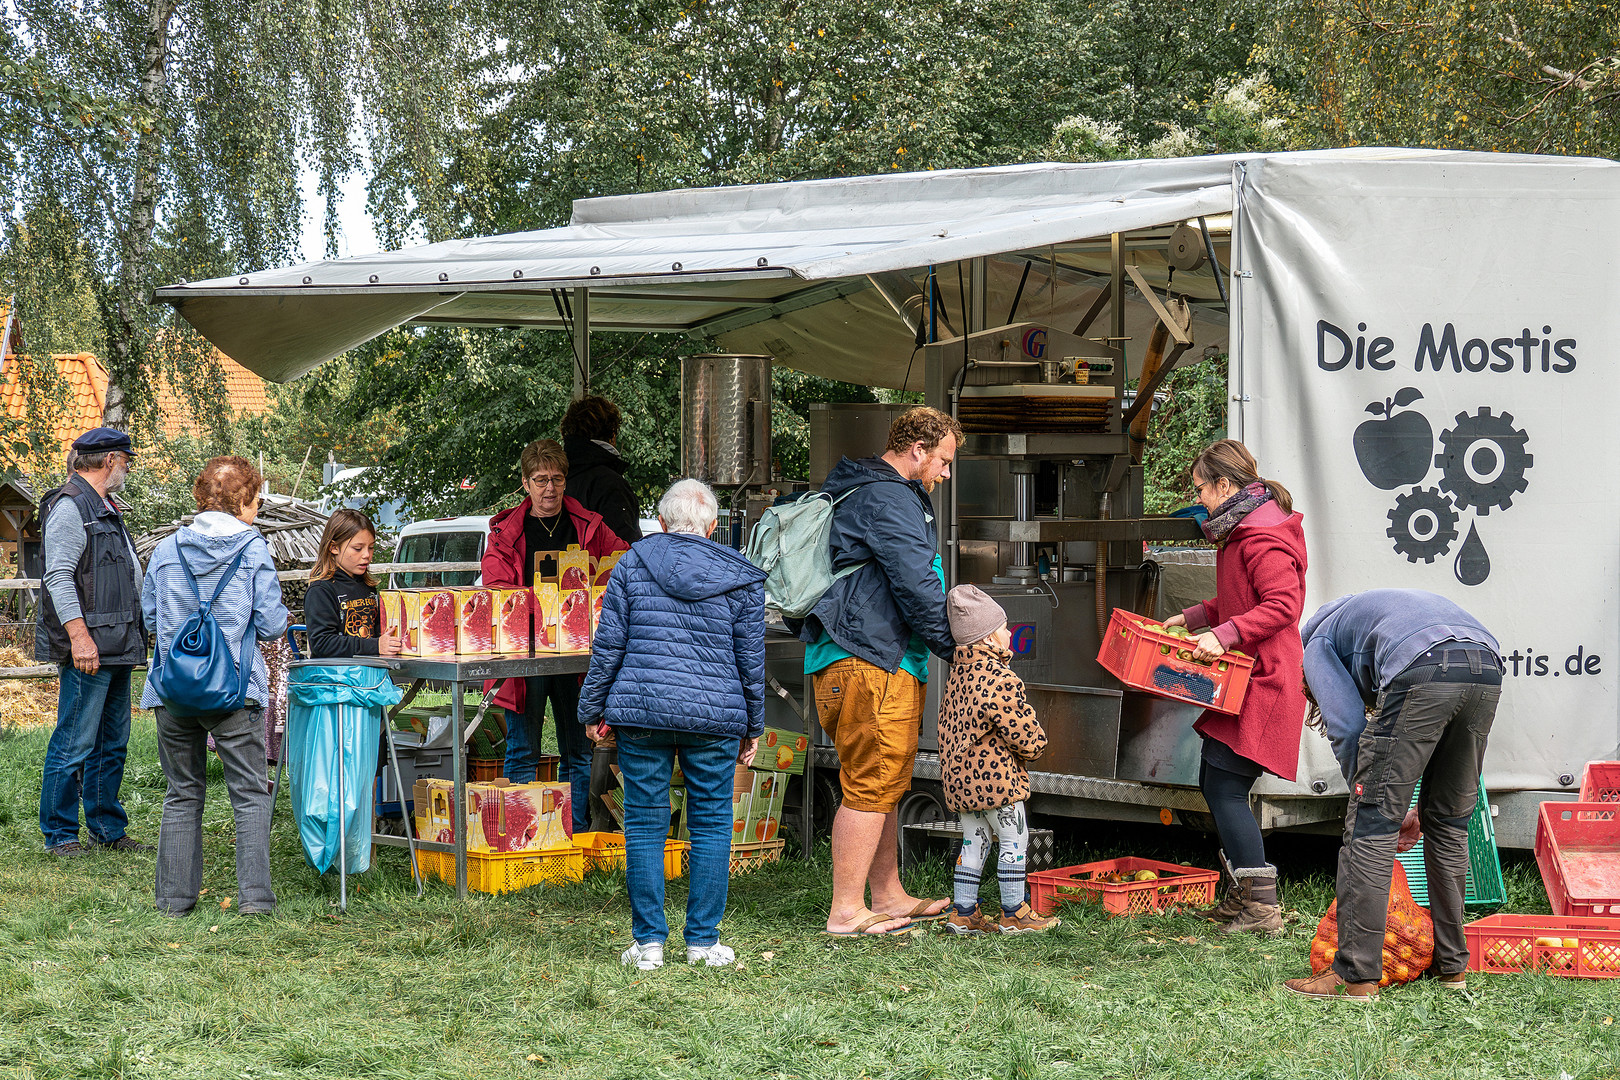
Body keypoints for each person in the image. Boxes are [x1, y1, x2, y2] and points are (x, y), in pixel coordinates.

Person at [579, 478, 765, 970]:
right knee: (711, 824)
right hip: (715, 717)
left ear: (661, 523)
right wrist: (753, 724)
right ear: (711, 526)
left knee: (644, 823)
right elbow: (751, 660)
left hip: (641, 712)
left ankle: (649, 945)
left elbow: (608, 647)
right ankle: (703, 942)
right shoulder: (740, 575)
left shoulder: (632, 565)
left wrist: (590, 710)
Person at [1284, 590, 1502, 1001]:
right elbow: (1431, 730)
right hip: (1486, 665)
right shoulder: (1372, 617)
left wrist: (1374, 798)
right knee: (1450, 825)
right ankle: (1452, 968)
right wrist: (1413, 802)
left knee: (1371, 829)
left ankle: (1354, 977)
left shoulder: (1317, 645)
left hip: (1420, 667)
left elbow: (1348, 728)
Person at [794, 406, 960, 936]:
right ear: (918, 451)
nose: (946, 473)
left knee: (882, 780)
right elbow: (916, 585)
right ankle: (846, 910)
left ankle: (887, 894)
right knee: (870, 784)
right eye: (944, 461)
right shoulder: (888, 498)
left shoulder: (859, 486)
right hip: (870, 659)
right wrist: (960, 651)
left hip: (850, 656)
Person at [1163, 438, 1307, 937]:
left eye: (1201, 488)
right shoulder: (1241, 529)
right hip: (1244, 678)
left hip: (1264, 681)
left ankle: (1261, 910)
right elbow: (1240, 598)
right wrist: (1194, 617)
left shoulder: (1262, 536)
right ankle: (1242, 897)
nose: (1199, 498)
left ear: (1225, 485)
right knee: (1214, 782)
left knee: (1225, 788)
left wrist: (1224, 635)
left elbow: (1283, 606)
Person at [141, 457, 290, 916]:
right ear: (242, 500)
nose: (258, 506)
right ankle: (256, 902)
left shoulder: (166, 551)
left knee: (182, 792)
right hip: (235, 692)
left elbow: (150, 618)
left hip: (172, 689)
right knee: (248, 792)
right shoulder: (252, 549)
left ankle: (173, 902)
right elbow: (269, 623)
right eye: (256, 498)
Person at [482, 438, 629, 829]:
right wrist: (543, 607)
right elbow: (495, 585)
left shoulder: (589, 525)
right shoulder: (506, 533)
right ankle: (522, 837)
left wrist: (594, 598)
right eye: (541, 479)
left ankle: (573, 833)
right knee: (522, 751)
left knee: (579, 751)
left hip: (577, 655)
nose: (550, 489)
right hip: (525, 654)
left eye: (557, 479)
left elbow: (624, 562)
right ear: (526, 484)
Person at [35, 427, 151, 857]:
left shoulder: (104, 506)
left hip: (117, 643)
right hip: (90, 649)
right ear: (109, 462)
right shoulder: (70, 506)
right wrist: (78, 637)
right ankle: (60, 834)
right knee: (74, 742)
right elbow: (58, 577)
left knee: (112, 743)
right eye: (126, 460)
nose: (127, 468)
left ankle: (106, 828)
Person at [937, 585, 1056, 935]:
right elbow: (1019, 727)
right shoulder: (998, 679)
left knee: (974, 842)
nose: (1009, 632)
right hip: (997, 781)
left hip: (961, 781)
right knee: (1013, 840)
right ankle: (1014, 912)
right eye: (1003, 627)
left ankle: (963, 912)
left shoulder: (956, 677)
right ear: (989, 639)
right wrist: (1036, 745)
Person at [304, 508, 402, 659]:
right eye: (358, 548)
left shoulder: (368, 587)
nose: (366, 555)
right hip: (336, 679)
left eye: (371, 548)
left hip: (369, 677)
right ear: (334, 547)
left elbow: (375, 633)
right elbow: (322, 643)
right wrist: (375, 646)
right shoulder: (321, 590)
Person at [561, 395, 643, 544]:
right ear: (612, 434)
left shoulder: (557, 478)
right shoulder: (611, 484)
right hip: (602, 566)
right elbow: (625, 548)